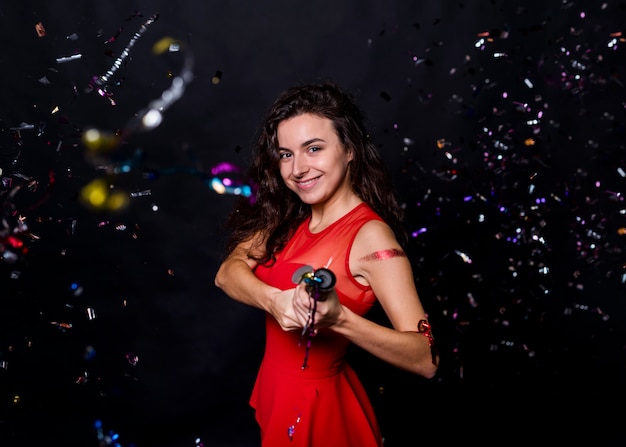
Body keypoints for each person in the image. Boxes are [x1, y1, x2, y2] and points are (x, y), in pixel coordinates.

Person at [214, 80, 438, 447]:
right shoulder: (287, 217)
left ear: (349, 150)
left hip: (317, 409)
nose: (297, 169)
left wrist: (339, 319)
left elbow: (426, 358)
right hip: (276, 392)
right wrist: (274, 300)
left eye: (313, 149)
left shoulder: (371, 238)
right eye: (286, 154)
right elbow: (227, 273)